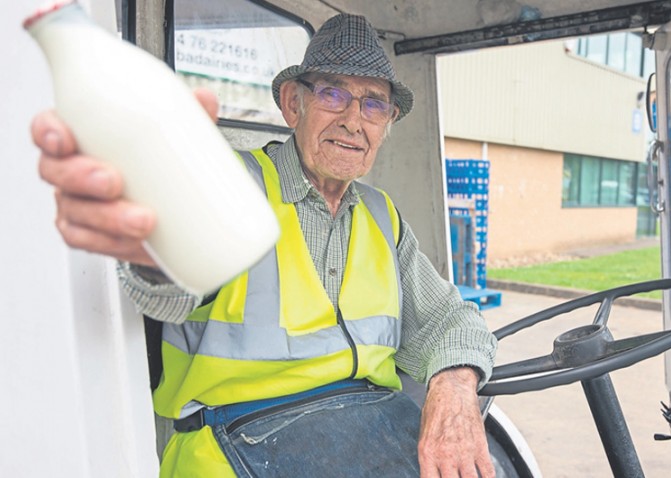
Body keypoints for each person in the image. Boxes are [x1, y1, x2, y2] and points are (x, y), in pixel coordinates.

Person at [31, 13, 498, 478]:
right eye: (334, 94)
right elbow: (174, 279)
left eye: (374, 105)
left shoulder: (382, 214)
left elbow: (449, 319)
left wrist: (454, 384)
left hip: (365, 432)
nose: (354, 121)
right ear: (293, 104)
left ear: (387, 124)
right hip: (230, 442)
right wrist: (155, 255)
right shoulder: (231, 184)